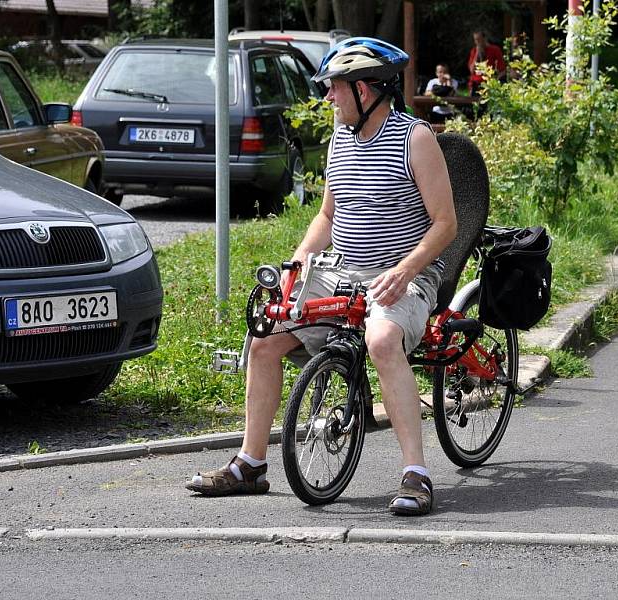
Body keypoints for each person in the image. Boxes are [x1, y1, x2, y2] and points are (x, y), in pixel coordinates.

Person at [186, 37, 457, 517]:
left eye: (335, 88)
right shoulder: (339, 140)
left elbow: (445, 224)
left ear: (366, 89)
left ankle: (417, 474)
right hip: (342, 272)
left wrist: (404, 270)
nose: (329, 98)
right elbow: (328, 218)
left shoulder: (415, 138)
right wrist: (294, 268)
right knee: (267, 338)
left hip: (404, 275)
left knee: (381, 341)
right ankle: (250, 466)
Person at [467, 30, 506, 95]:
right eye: (475, 40)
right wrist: (477, 54)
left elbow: (502, 70)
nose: (477, 42)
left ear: (485, 39)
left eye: (479, 40)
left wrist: (494, 82)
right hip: (476, 84)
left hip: (489, 82)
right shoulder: (474, 51)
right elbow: (471, 70)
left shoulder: (495, 50)